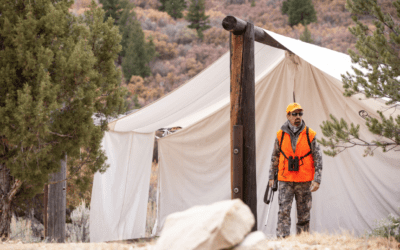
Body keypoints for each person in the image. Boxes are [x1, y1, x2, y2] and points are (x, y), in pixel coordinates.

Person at [268, 103, 323, 238]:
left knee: (304, 215)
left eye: (300, 114)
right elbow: (275, 156)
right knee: (283, 213)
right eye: (294, 114)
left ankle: (302, 243)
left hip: (304, 181)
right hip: (285, 180)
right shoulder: (280, 135)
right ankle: (282, 242)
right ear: (288, 115)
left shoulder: (310, 134)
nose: (298, 117)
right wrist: (271, 177)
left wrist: (317, 179)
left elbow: (318, 158)